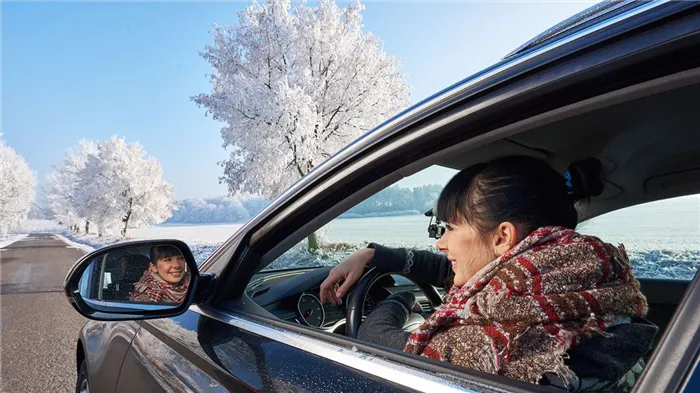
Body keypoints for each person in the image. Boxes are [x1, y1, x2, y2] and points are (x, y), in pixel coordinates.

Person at [319, 156, 657, 392]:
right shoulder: (575, 281)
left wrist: (400, 300)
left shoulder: (503, 342)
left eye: (450, 228)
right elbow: (458, 271)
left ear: (502, 237)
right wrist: (373, 254)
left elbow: (377, 340)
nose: (441, 243)